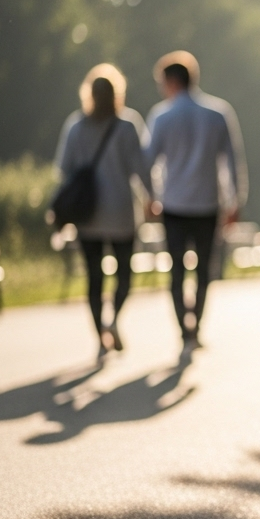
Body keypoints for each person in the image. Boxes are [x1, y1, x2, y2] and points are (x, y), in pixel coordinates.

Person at [144, 58, 246, 347]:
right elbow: (232, 161)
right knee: (203, 271)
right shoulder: (218, 113)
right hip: (207, 204)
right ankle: (196, 324)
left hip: (173, 205)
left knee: (176, 270)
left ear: (172, 81)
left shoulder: (161, 116)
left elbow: (147, 162)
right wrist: (236, 200)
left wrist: (150, 196)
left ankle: (182, 327)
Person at [54, 64, 153, 357]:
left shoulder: (76, 126)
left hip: (87, 215)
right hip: (121, 212)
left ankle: (100, 335)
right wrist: (152, 198)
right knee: (124, 275)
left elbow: (63, 169)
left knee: (94, 278)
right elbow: (141, 169)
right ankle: (112, 321)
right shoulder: (127, 124)